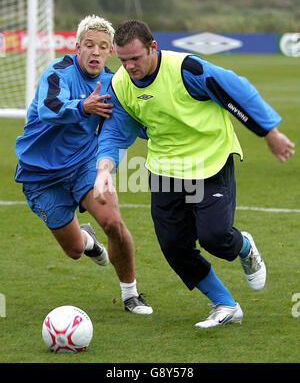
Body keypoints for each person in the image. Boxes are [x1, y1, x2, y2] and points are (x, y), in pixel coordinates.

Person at [93, 20, 295, 328]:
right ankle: (225, 305)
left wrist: (270, 131)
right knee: (174, 246)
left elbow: (235, 88)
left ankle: (243, 246)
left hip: (210, 162)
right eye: (123, 60)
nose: (130, 66)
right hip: (165, 169)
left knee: (215, 237)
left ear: (153, 48)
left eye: (135, 58)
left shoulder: (187, 69)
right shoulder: (120, 84)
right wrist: (104, 167)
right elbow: (116, 130)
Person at [14, 15, 153, 315]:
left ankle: (130, 294)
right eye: (89, 45)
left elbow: (133, 118)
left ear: (110, 52)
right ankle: (89, 241)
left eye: (102, 47)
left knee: (113, 222)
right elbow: (48, 108)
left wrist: (157, 129)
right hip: (40, 174)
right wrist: (82, 106)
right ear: (77, 47)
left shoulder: (115, 83)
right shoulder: (58, 73)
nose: (95, 52)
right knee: (74, 250)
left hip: (84, 164)